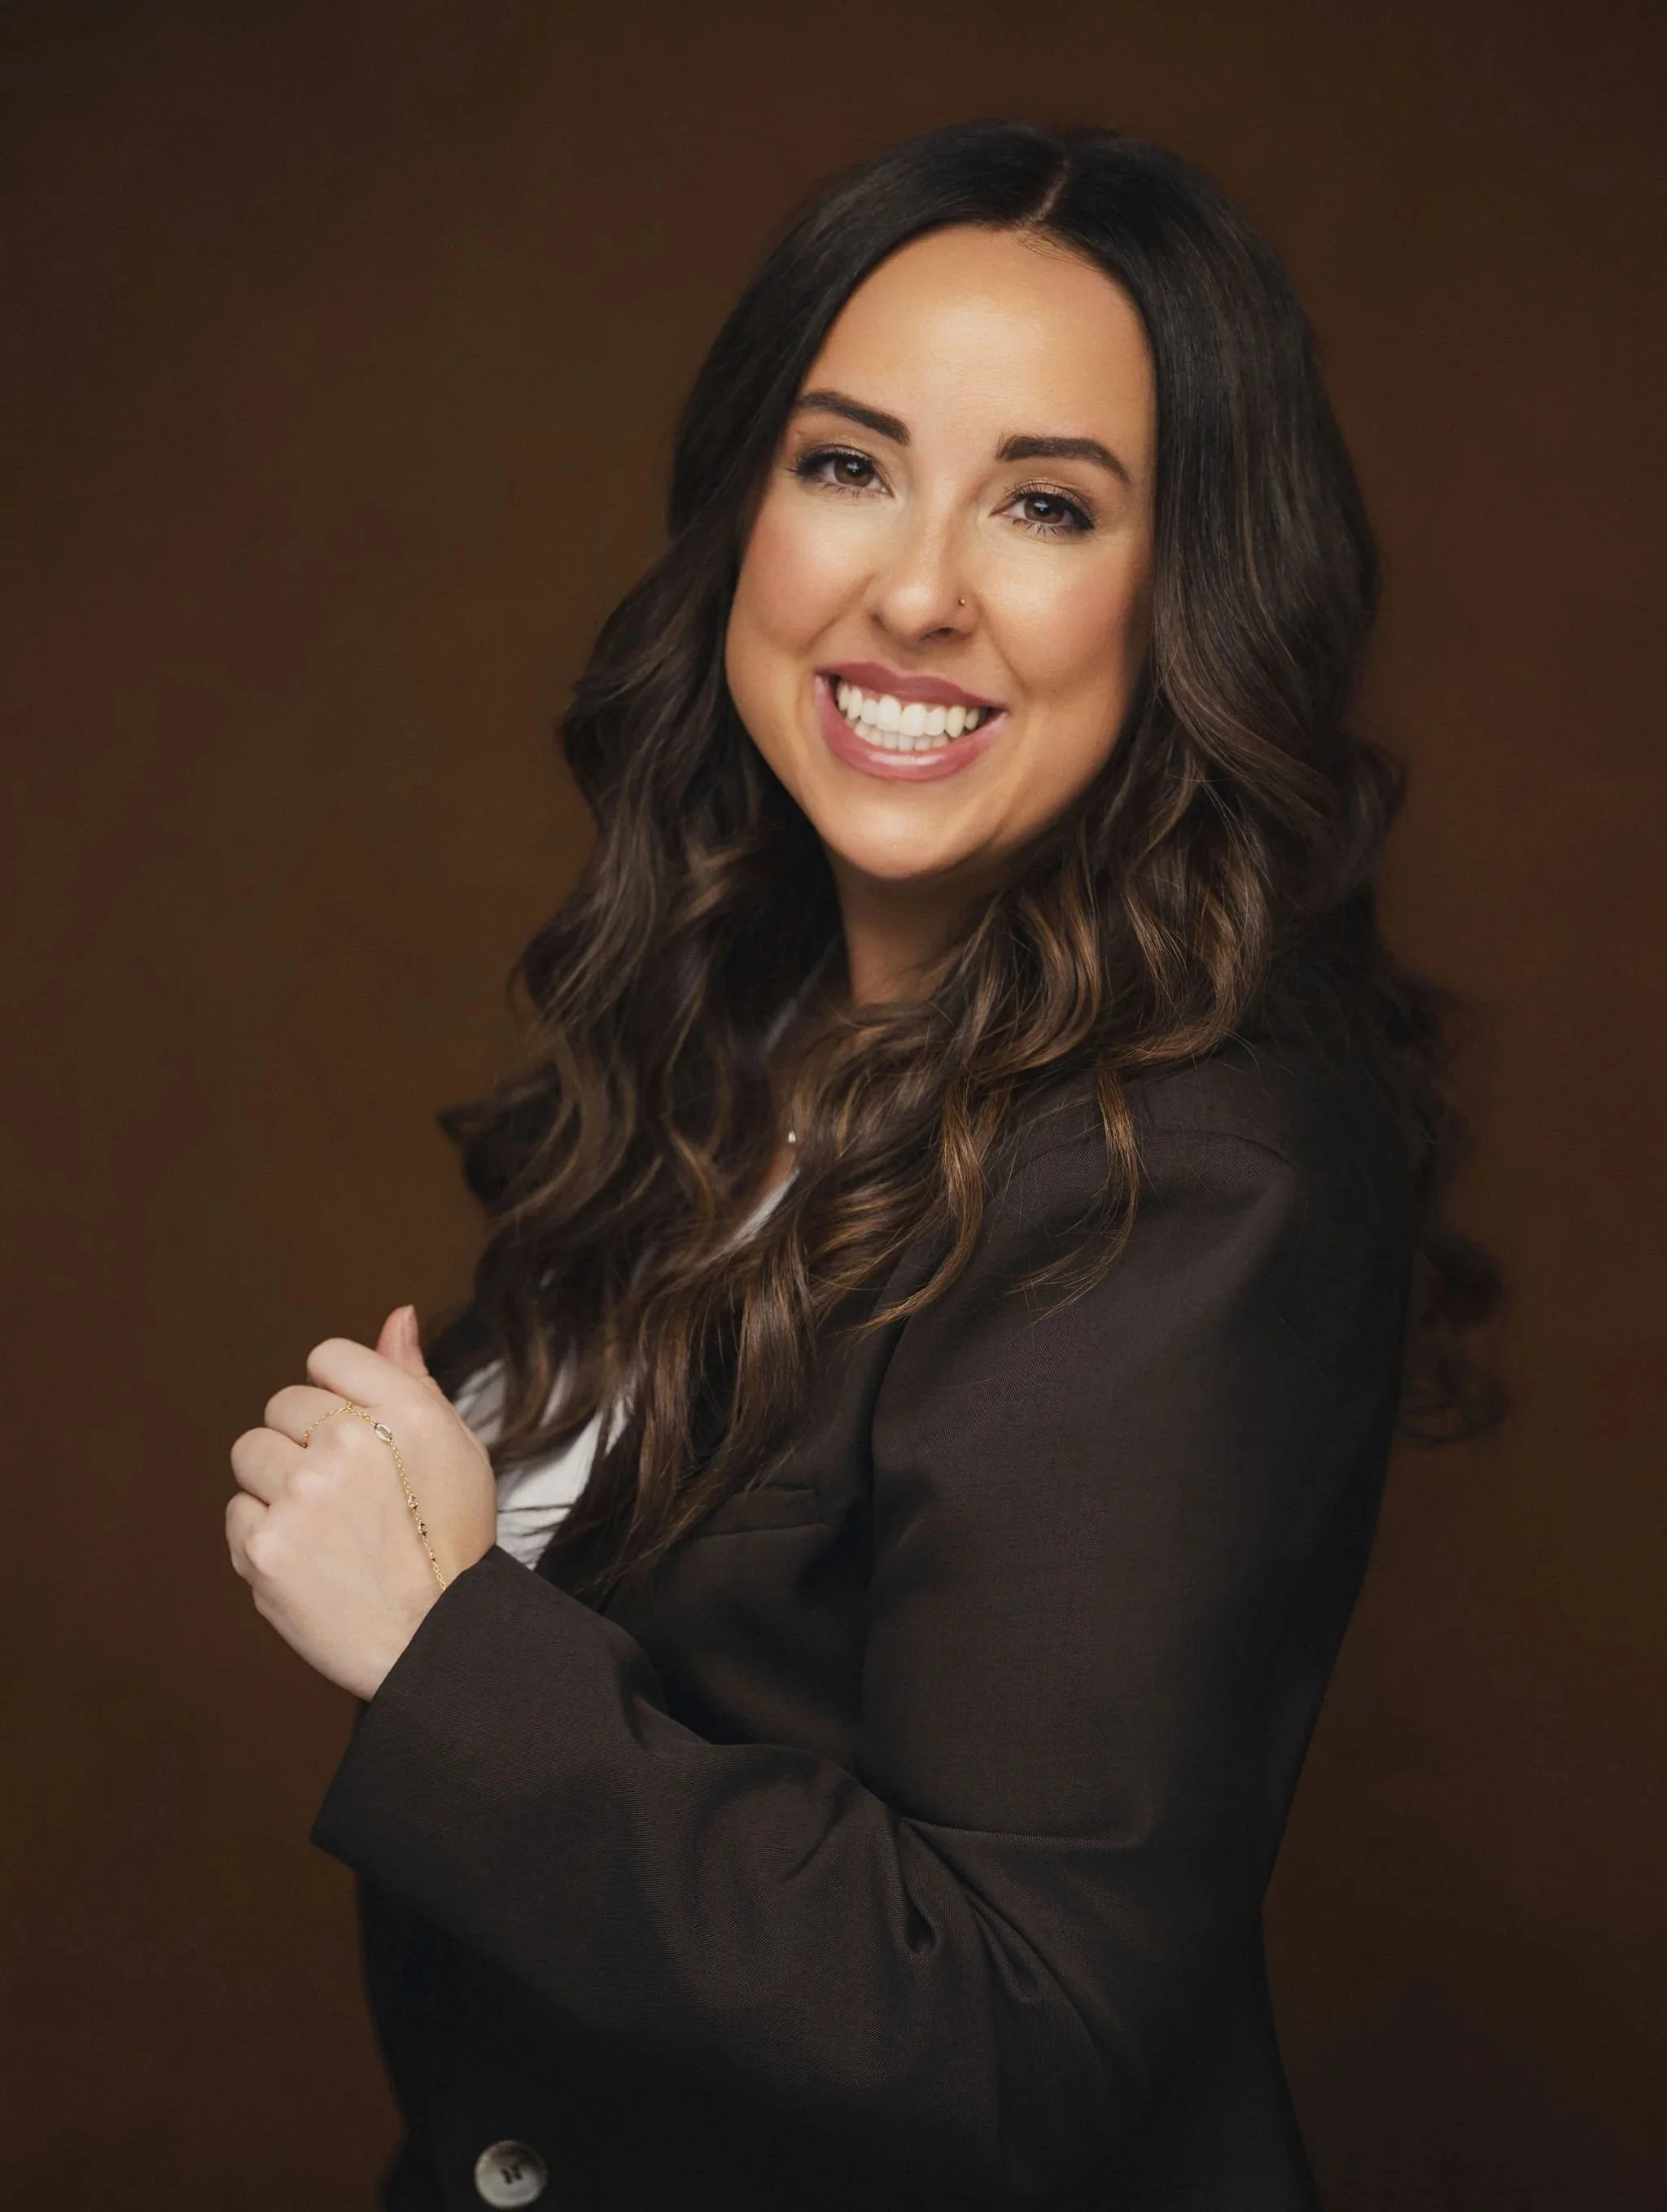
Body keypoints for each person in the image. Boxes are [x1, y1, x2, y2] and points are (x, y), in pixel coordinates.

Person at [225, 120, 1497, 2210]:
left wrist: (438, 1638)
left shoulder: (1187, 1162)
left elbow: (1017, 2025)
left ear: (1190, 587)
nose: (915, 584)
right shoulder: (750, 1030)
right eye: (847, 462)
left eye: (1046, 502)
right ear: (746, 501)